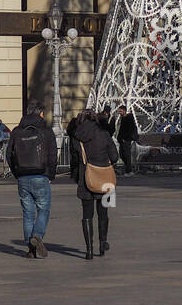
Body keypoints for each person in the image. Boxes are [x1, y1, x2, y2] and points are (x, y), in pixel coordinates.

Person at [7, 101, 59, 258]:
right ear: (40, 114)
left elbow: (9, 154)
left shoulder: (16, 131)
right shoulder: (46, 131)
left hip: (23, 176)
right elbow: (52, 156)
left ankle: (31, 249)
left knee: (28, 214)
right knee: (43, 209)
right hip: (41, 175)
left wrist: (16, 173)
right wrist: (51, 175)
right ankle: (37, 235)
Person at [71, 111, 115, 260]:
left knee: (87, 215)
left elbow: (74, 160)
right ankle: (102, 244)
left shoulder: (77, 137)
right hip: (106, 181)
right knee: (104, 213)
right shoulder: (104, 134)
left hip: (86, 179)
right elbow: (115, 157)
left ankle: (89, 250)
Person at [115, 105, 138, 176]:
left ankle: (129, 171)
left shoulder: (129, 118)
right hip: (122, 139)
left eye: (120, 111)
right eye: (119, 111)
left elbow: (130, 129)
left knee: (127, 155)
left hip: (126, 140)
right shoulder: (123, 118)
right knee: (122, 154)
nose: (119, 113)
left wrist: (126, 138)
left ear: (124, 111)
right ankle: (128, 169)